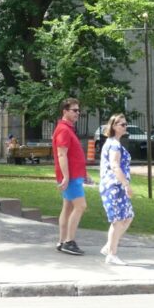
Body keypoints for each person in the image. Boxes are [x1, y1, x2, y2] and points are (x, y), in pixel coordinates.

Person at [53, 97, 88, 255]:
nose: (77, 113)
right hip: (71, 177)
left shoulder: (68, 129)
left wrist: (85, 174)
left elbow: (74, 155)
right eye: (74, 110)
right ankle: (69, 241)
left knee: (67, 208)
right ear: (65, 111)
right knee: (80, 206)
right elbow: (62, 154)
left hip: (75, 175)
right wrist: (66, 177)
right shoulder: (63, 129)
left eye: (78, 110)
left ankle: (62, 241)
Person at [99, 114, 134, 265]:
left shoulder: (114, 143)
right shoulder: (113, 144)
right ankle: (112, 253)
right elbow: (114, 165)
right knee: (118, 220)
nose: (125, 127)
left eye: (126, 124)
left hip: (116, 186)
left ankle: (109, 246)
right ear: (113, 126)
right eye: (122, 125)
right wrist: (126, 184)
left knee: (128, 216)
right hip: (114, 187)